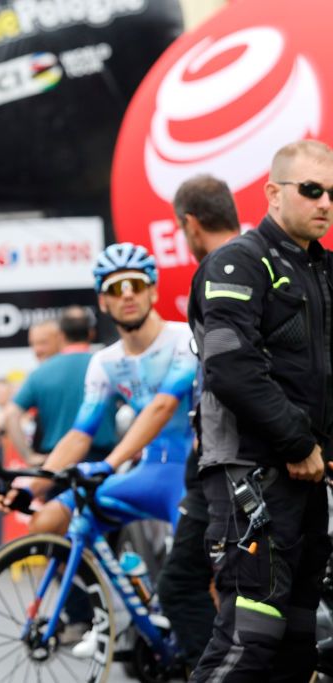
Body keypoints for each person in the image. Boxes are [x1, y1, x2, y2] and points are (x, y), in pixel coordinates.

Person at [189, 140, 333, 681]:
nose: (325, 203)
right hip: (248, 472)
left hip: (310, 479)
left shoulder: (325, 270)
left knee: (298, 645)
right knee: (251, 637)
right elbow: (232, 370)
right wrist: (300, 444)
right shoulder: (236, 262)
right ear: (273, 193)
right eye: (313, 190)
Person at [0, 243, 197, 537]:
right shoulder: (106, 362)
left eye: (136, 285)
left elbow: (162, 407)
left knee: (196, 577)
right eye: (116, 288)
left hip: (190, 475)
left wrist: (108, 465)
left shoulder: (184, 339)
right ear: (103, 302)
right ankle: (97, 583)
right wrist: (31, 486)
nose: (127, 293)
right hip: (146, 472)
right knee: (46, 521)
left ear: (153, 291)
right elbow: (79, 435)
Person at [153, 174, 240, 669]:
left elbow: (228, 374)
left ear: (188, 223)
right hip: (234, 457)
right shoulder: (258, 259)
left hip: (225, 460)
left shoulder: (219, 269)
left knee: (189, 584)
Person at [2, 306, 117, 466]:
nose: (37, 350)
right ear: (91, 333)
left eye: (42, 343)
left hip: (56, 465)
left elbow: (10, 415)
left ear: (61, 336)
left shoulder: (40, 373)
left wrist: (30, 457)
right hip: (102, 464)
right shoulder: (109, 366)